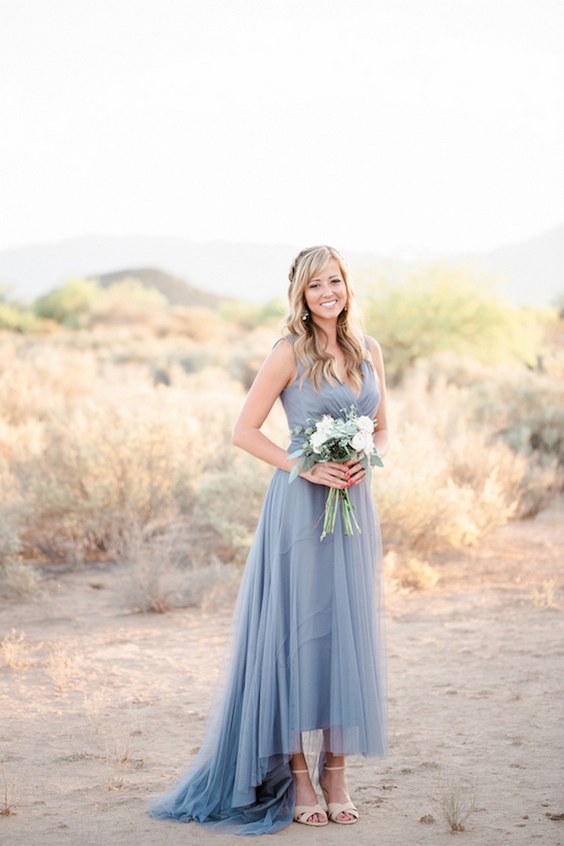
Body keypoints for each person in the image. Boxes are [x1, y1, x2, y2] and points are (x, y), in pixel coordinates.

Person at [148, 245, 389, 834]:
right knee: (296, 633)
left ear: (346, 285)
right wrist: (304, 465)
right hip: (299, 508)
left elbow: (383, 427)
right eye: (314, 286)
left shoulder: (369, 350)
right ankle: (300, 775)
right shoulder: (288, 352)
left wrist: (366, 459)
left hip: (354, 505)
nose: (327, 293)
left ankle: (338, 773)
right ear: (301, 295)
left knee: (344, 634)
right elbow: (244, 431)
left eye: (334, 281)